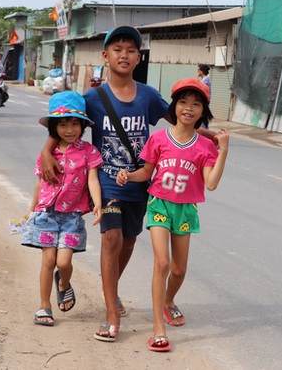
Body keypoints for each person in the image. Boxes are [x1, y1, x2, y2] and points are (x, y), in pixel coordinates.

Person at [41, 25, 170, 342]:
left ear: (138, 57)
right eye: (117, 49)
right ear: (105, 56)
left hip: (140, 183)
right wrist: (46, 151)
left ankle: (112, 294)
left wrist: (211, 137)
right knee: (111, 239)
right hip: (106, 182)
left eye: (130, 50)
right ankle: (111, 312)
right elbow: (65, 127)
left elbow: (180, 120)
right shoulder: (92, 99)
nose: (124, 55)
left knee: (128, 242)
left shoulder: (149, 97)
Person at [116, 78, 229, 352]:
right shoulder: (159, 139)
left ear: (203, 112)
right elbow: (146, 172)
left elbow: (211, 183)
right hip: (159, 205)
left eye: (196, 104)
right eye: (183, 102)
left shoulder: (205, 146)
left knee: (178, 270)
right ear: (174, 106)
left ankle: (169, 301)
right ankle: (158, 328)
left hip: (186, 209)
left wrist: (223, 150)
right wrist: (128, 175)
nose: (188, 108)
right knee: (163, 263)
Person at [21, 91, 103, 327]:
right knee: (48, 260)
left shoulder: (89, 152)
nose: (69, 129)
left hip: (71, 218)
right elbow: (40, 183)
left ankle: (64, 283)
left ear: (83, 125)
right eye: (63, 124)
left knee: (64, 263)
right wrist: (31, 209)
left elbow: (92, 180)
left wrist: (98, 203)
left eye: (75, 123)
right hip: (46, 216)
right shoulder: (47, 155)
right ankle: (44, 306)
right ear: (54, 128)